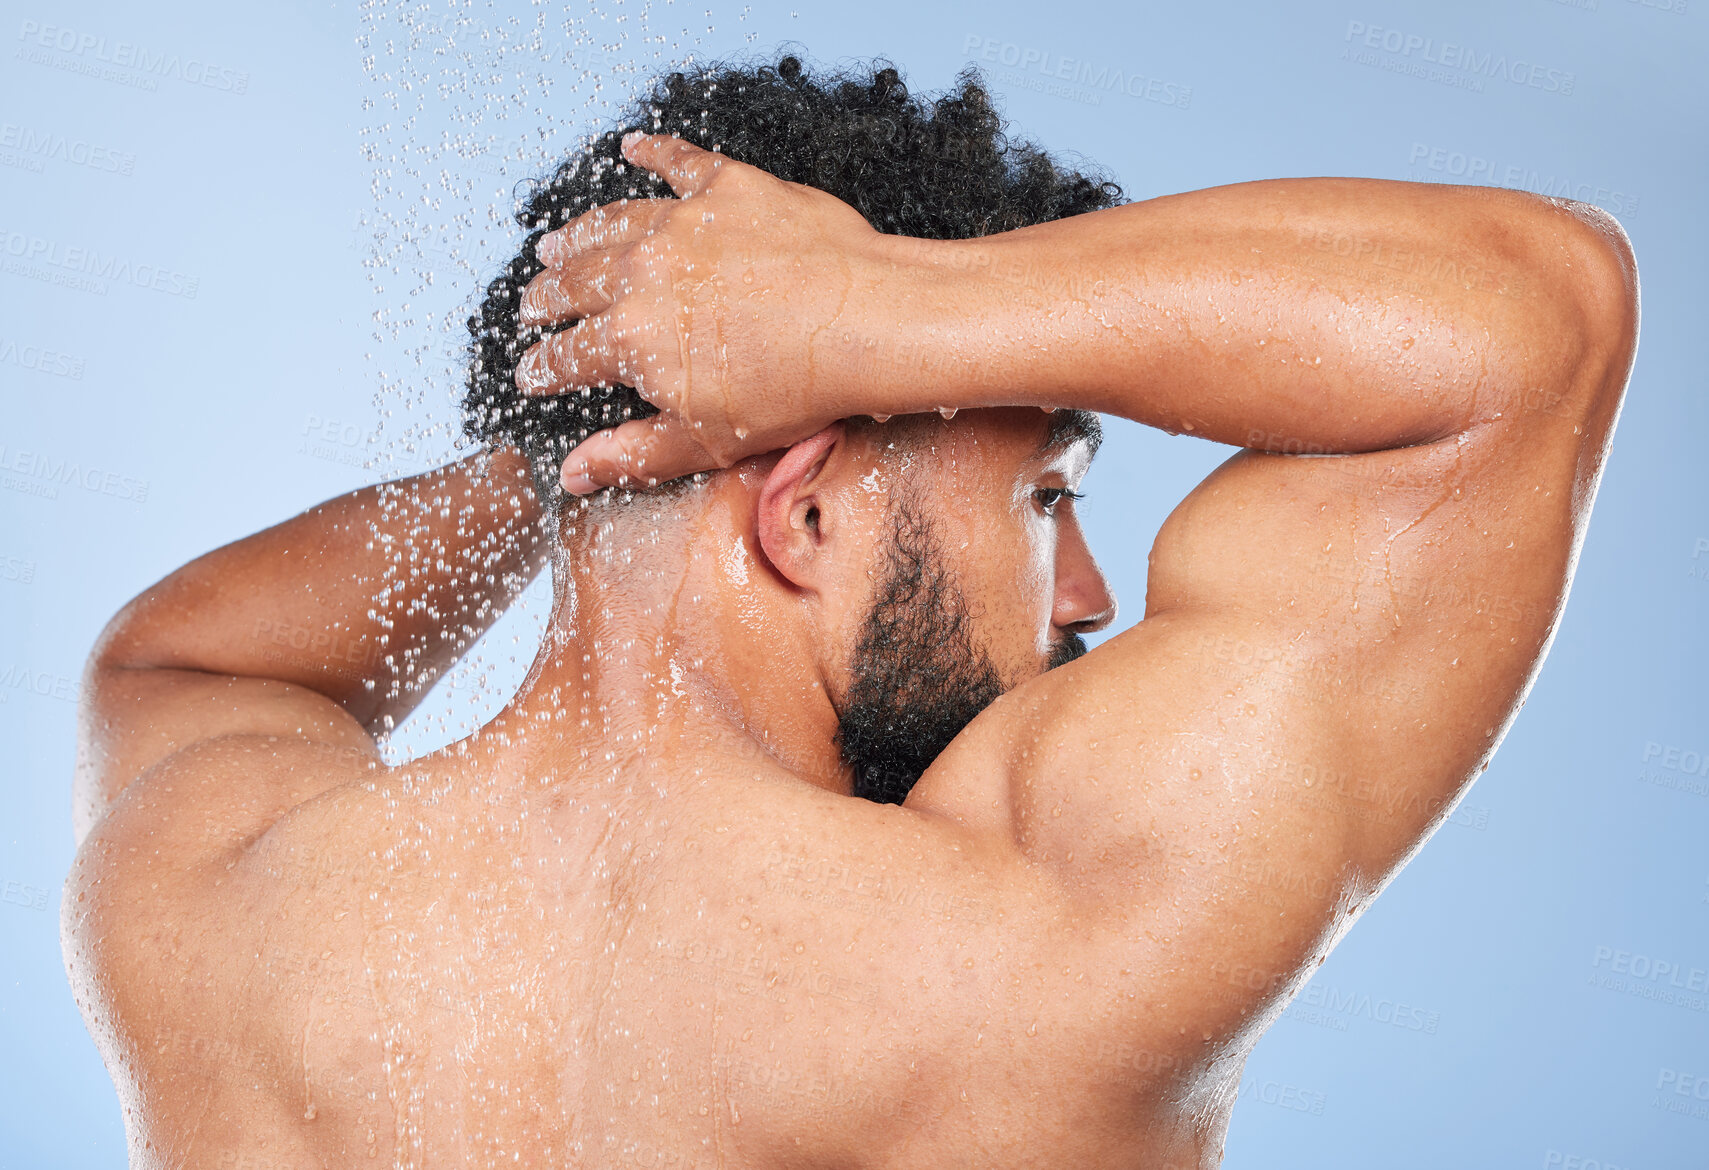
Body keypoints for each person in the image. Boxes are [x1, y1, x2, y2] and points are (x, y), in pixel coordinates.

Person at [64, 54, 1636, 1169]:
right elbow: (1532, 322)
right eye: (1044, 495)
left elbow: (188, 648)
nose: (1079, 593)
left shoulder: (224, 907)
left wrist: (591, 432)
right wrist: (873, 314)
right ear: (803, 509)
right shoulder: (1036, 944)